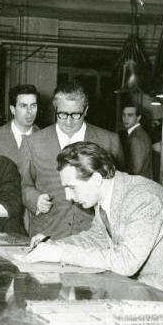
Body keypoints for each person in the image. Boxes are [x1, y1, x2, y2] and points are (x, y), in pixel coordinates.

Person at [25, 141, 163, 308]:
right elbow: (97, 237)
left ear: (97, 179)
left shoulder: (142, 199)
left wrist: (61, 254)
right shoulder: (106, 199)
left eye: (71, 187)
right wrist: (54, 245)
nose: (68, 197)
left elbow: (125, 262)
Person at [19, 82, 124, 239]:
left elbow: (118, 189)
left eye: (76, 115)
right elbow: (23, 185)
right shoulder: (32, 143)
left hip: (94, 234)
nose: (69, 122)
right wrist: (35, 199)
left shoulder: (109, 141)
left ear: (86, 110)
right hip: (48, 232)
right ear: (55, 110)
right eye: (62, 114)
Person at [0, 84, 40, 165]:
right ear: (13, 109)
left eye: (33, 105)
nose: (29, 111)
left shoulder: (45, 138)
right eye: (23, 106)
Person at [121, 104, 153, 179]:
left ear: (138, 117)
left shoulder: (136, 137)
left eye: (130, 115)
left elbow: (135, 171)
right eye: (123, 115)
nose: (126, 119)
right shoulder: (137, 133)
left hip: (139, 184)